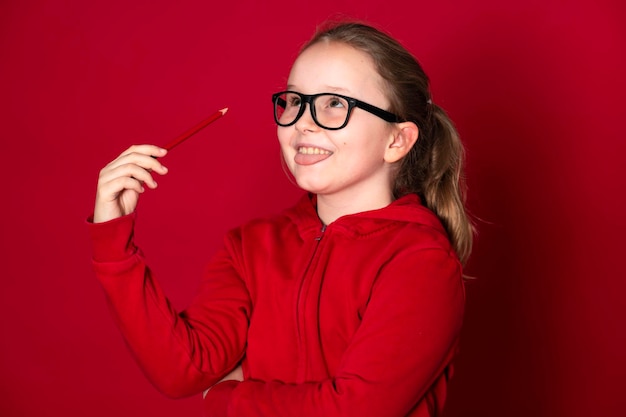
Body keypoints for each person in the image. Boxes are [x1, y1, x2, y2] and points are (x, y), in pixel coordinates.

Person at [89, 20, 473, 417]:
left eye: (335, 103)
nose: (302, 122)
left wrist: (227, 399)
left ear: (397, 140)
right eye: (294, 101)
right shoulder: (250, 246)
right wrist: (114, 246)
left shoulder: (421, 261)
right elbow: (183, 369)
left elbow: (355, 410)